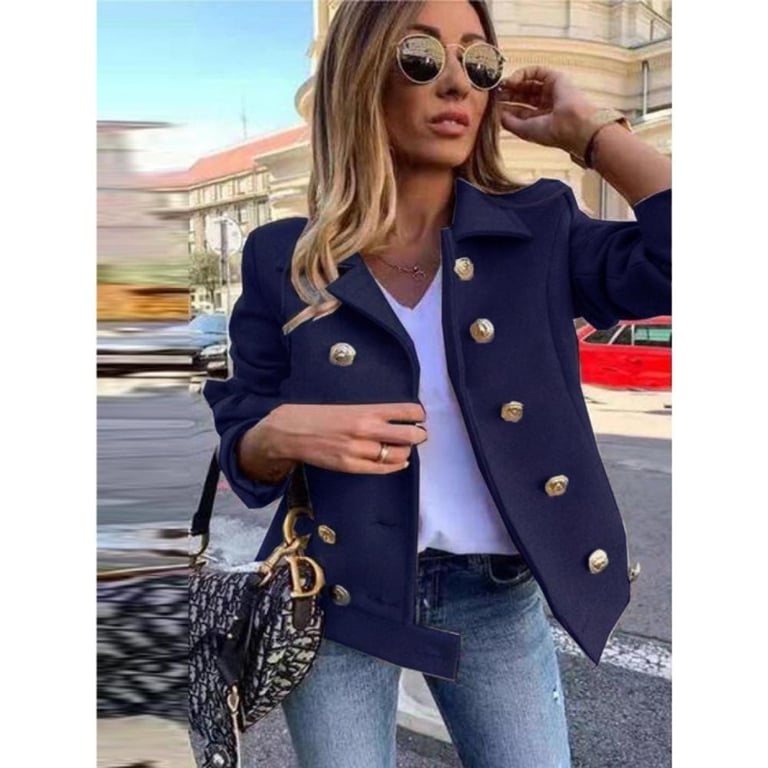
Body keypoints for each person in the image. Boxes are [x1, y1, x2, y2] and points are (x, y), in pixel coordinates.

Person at [201, 1, 671, 766]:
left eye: (478, 64)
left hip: (496, 598)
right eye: (420, 57)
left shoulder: (538, 228)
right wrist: (280, 434)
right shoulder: (283, 256)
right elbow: (242, 438)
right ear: (362, 77)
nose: (456, 83)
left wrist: (590, 134)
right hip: (335, 593)